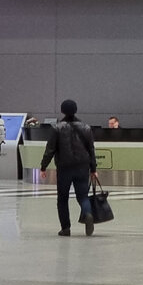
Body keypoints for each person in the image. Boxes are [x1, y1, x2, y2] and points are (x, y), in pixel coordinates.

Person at [40, 99, 97, 236]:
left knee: (63, 198)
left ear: (62, 111)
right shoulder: (86, 127)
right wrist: (93, 169)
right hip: (82, 167)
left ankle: (65, 228)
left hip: (64, 167)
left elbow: (50, 149)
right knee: (83, 196)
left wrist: (43, 167)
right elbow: (91, 149)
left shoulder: (57, 128)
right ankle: (88, 213)